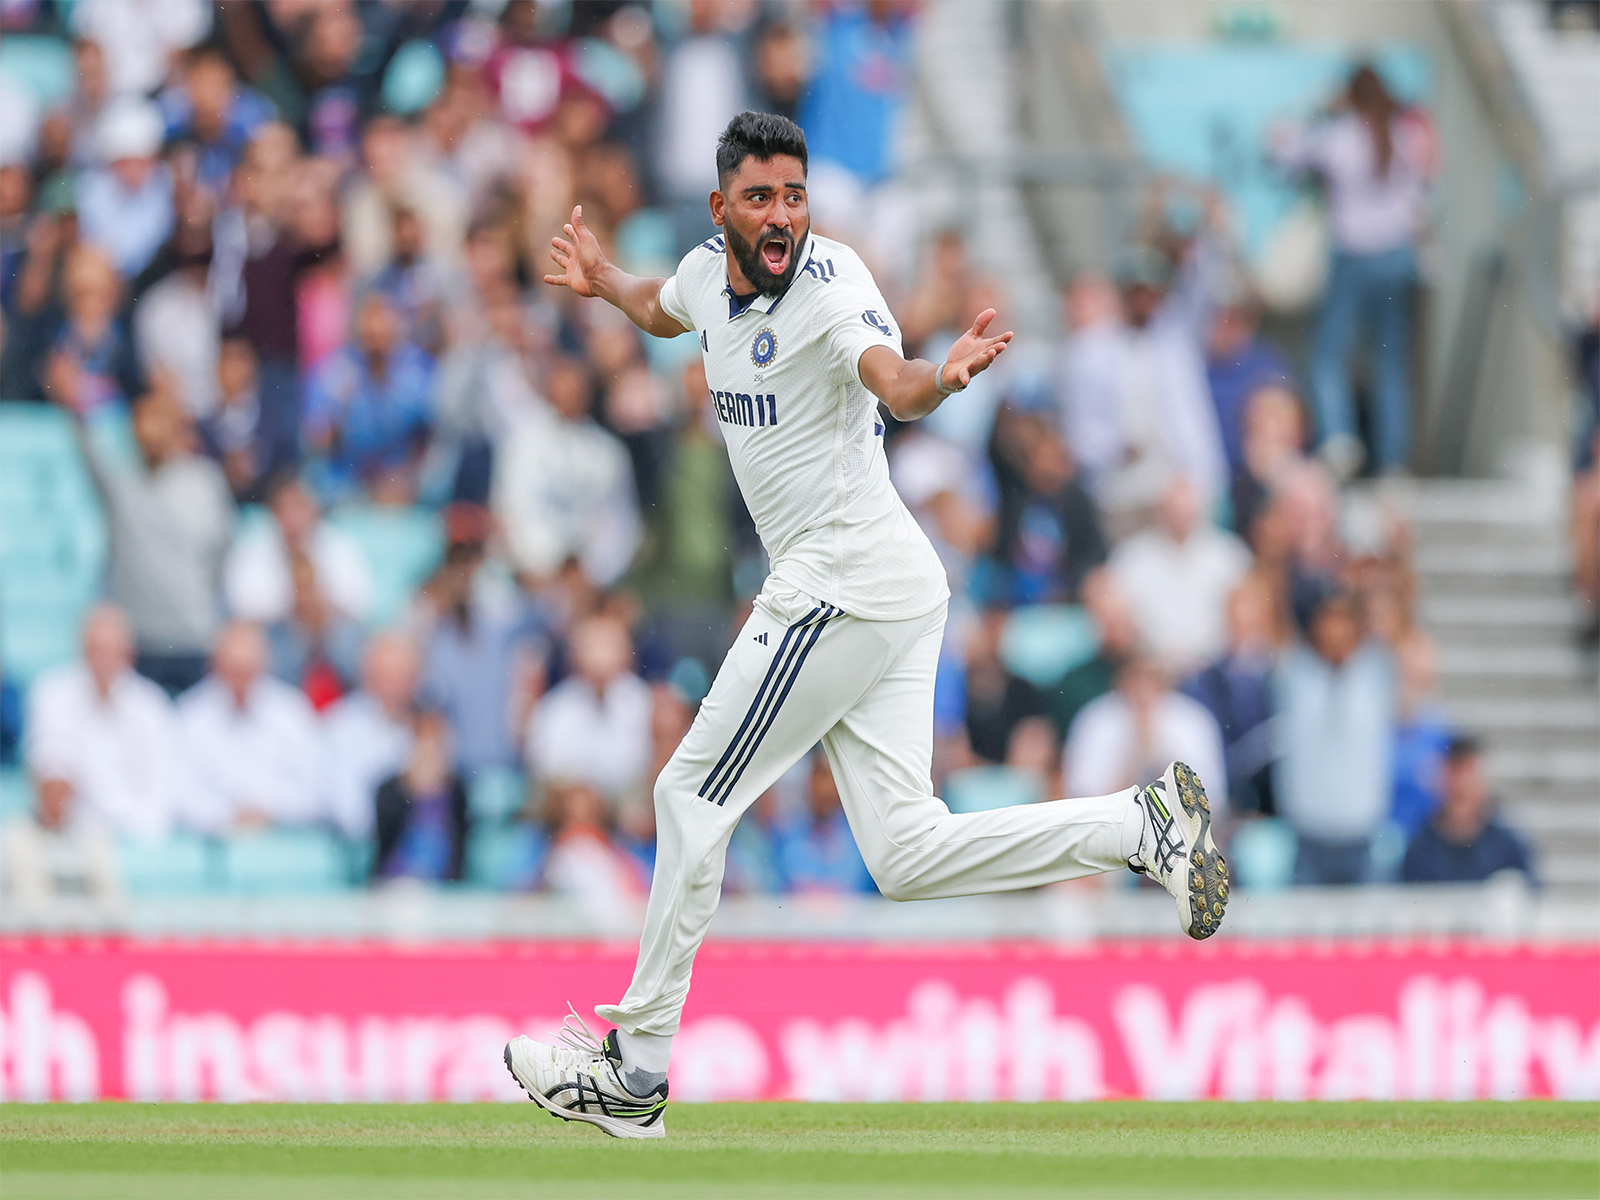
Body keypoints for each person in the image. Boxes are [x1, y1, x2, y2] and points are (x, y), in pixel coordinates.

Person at [502, 113, 1229, 1139]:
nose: (781, 216)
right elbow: (665, 310)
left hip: (841, 580)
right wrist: (602, 279)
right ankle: (1140, 827)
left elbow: (891, 381)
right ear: (721, 209)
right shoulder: (707, 275)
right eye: (760, 197)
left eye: (794, 196)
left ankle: (635, 1068)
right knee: (904, 855)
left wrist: (939, 376)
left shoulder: (833, 287)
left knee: (687, 796)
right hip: (885, 583)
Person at [1271, 64, 1435, 478]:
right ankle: (1393, 458)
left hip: (1353, 255)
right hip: (1396, 256)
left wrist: (1316, 106)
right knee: (1389, 362)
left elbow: (1283, 147)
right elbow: (1422, 197)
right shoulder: (1404, 135)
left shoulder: (1341, 135)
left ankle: (1339, 437)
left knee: (1328, 354)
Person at [65, 377, 235, 696]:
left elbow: (221, 555)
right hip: (137, 643)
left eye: (160, 418)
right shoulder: (121, 483)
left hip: (194, 641)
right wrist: (71, 400)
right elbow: (86, 447)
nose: (150, 429)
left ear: (177, 428)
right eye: (143, 418)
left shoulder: (205, 482)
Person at [4, 606, 184, 905]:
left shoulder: (151, 707)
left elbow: (162, 796)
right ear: (81, 649)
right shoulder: (52, 693)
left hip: (132, 842)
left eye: (110, 650)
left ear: (129, 654)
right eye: (94, 649)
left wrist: (121, 838)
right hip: (70, 838)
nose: (101, 660)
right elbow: (50, 773)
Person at [1273, 589, 1396, 885]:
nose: (1335, 631)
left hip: (1363, 836)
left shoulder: (1377, 673)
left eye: (1343, 621)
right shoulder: (1294, 674)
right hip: (1308, 836)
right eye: (1329, 621)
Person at [176, 620, 323, 832]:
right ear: (216, 665)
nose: (241, 679)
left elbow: (312, 791)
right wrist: (229, 815)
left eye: (248, 669)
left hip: (283, 838)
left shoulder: (292, 712)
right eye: (234, 669)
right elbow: (182, 793)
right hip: (214, 839)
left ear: (264, 663)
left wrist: (267, 809)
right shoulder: (191, 715)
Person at [1108, 475, 1253, 679]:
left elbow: (1246, 616)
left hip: (1217, 669)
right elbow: (1119, 618)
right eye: (1173, 510)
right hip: (1150, 670)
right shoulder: (1131, 557)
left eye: (1186, 510)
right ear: (1159, 510)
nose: (1180, 517)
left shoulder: (1229, 554)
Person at [1400, 735, 1535, 885]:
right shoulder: (1420, 848)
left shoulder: (1508, 847)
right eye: (1455, 773)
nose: (1462, 784)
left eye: (1469, 774)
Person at [323, 633, 420, 841]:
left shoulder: (427, 724)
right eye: (387, 677)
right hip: (365, 850)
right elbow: (348, 812)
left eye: (404, 677)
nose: (396, 687)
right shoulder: (342, 726)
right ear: (367, 675)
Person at [372, 710, 469, 884]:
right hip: (396, 882)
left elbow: (460, 849)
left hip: (441, 885)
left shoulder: (456, 791)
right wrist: (411, 788)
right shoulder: (390, 789)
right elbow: (384, 839)